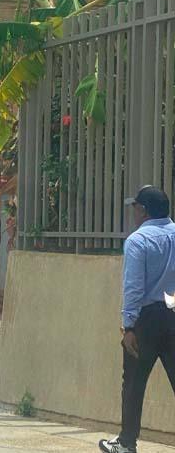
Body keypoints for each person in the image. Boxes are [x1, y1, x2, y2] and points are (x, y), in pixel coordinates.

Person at [100, 186, 175, 453]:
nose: (133, 212)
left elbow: (133, 287)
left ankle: (126, 442)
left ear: (143, 210)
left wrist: (129, 326)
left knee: (133, 382)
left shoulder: (138, 240)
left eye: (135, 207)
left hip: (146, 320)